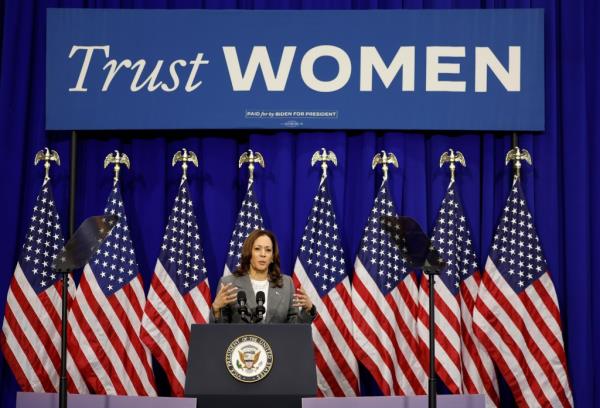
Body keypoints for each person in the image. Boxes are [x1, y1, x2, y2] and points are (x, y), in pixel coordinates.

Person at [210, 229, 317, 323]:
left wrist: (309, 310)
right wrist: (216, 309)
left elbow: (293, 329)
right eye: (257, 249)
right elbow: (220, 333)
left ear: (272, 257)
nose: (263, 254)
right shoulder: (229, 283)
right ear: (249, 253)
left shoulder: (286, 283)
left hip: (277, 345)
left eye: (268, 250)